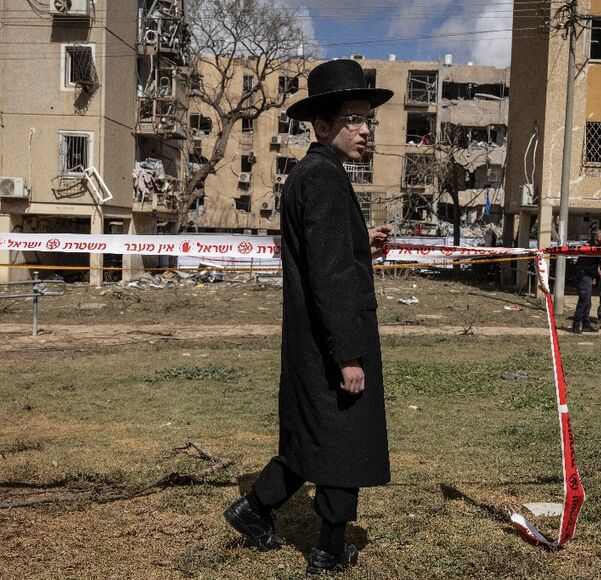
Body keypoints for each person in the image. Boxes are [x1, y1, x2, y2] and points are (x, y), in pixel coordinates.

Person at [223, 59, 394, 575]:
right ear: (321, 125)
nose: (364, 129)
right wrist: (348, 355)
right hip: (331, 339)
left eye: (368, 119)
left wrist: (360, 245)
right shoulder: (322, 178)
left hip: (313, 336)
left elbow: (323, 255)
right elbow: (329, 277)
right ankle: (329, 547)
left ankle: (253, 510)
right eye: (352, 119)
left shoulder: (314, 174)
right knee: (344, 438)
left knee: (311, 436)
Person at [571, 230, 601, 333]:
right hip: (584, 276)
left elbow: (593, 264)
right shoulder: (591, 247)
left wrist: (595, 277)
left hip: (588, 276)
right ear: (598, 237)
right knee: (583, 301)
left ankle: (586, 324)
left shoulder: (593, 246)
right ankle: (575, 325)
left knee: (587, 302)